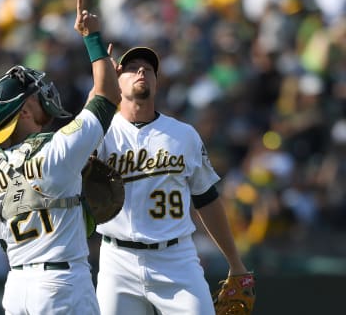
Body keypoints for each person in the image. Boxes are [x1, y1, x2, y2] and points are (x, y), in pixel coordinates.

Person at [0, 0, 120, 315]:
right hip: (61, 285)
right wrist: (92, 38)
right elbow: (108, 97)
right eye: (37, 93)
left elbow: (4, 243)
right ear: (26, 111)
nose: (45, 94)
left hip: (17, 288)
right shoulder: (57, 151)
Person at [94, 46, 251, 315]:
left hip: (176, 259)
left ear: (157, 81)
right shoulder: (98, 132)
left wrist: (235, 263)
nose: (141, 71)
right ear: (116, 80)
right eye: (131, 69)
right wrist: (100, 81)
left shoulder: (183, 134)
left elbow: (207, 199)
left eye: (148, 69)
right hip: (117, 261)